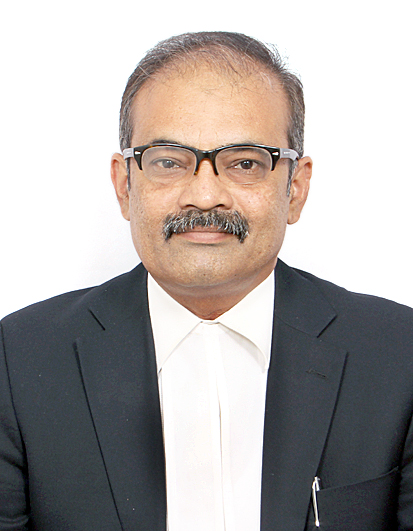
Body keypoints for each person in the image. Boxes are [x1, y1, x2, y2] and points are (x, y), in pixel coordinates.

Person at [0, 31, 412, 531]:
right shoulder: (18, 361)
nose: (204, 194)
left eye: (245, 163)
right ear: (125, 184)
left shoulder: (399, 354)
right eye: (168, 161)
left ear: (296, 188)